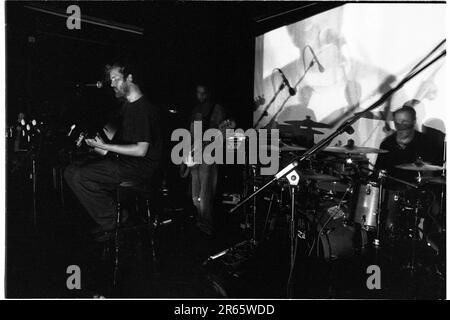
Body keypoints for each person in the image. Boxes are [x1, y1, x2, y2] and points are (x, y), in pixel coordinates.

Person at [64, 61, 163, 236]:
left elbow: (141, 150)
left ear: (130, 78)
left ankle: (114, 221)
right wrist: (92, 141)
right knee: (71, 171)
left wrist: (104, 146)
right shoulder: (126, 107)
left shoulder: (143, 108)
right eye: (111, 80)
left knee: (80, 176)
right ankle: (113, 216)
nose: (112, 84)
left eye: (116, 79)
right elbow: (110, 133)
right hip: (123, 162)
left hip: (139, 168)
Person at [374, 104, 442, 231]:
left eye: (405, 121)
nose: (401, 125)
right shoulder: (387, 144)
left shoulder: (427, 143)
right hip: (389, 196)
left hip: (418, 195)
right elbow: (377, 174)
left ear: (414, 121)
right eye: (397, 122)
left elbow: (436, 174)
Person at [187, 83, 225, 236]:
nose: (200, 96)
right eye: (198, 92)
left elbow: (221, 133)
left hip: (209, 154)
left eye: (203, 93)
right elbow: (190, 133)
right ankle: (200, 221)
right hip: (195, 153)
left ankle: (206, 225)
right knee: (195, 195)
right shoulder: (195, 110)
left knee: (206, 192)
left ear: (209, 93)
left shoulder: (217, 109)